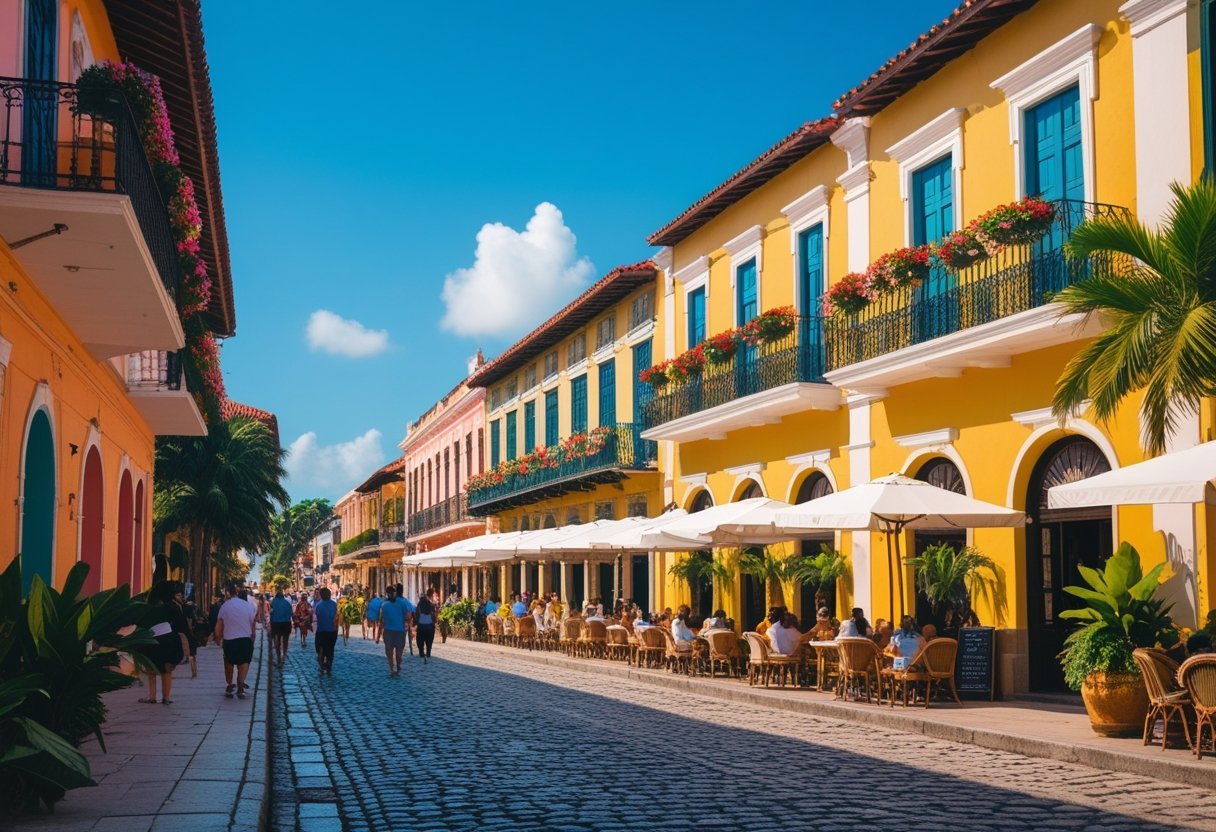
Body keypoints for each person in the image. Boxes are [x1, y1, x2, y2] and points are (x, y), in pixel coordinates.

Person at [136, 581, 191, 705]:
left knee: (152, 668)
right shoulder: (171, 607)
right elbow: (181, 625)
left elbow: (141, 624)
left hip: (152, 641)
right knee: (166, 670)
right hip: (168, 640)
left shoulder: (148, 608)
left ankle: (152, 696)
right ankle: (166, 697)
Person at [214, 581, 258, 699]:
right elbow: (252, 624)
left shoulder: (225, 605)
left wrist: (218, 638)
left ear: (229, 594)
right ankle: (240, 686)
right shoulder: (248, 606)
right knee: (244, 663)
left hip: (230, 639)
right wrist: (253, 636)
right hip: (245, 639)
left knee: (229, 662)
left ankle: (229, 684)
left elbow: (219, 624)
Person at [379, 585, 415, 677]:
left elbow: (407, 616)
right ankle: (392, 669)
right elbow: (382, 620)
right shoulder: (385, 605)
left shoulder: (400, 603)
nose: (391, 594)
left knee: (396, 653)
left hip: (398, 631)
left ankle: (397, 666)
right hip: (392, 631)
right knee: (390, 652)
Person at [313, 587, 339, 676]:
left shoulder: (318, 606)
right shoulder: (335, 605)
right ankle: (328, 666)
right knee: (330, 649)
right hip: (332, 631)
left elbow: (317, 616)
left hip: (321, 631)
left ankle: (321, 666)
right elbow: (336, 619)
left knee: (320, 648)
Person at [176, 585, 200, 679]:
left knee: (191, 652)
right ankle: (193, 671)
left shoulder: (186, 607)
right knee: (190, 651)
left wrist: (190, 630)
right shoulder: (180, 607)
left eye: (179, 595)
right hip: (182, 631)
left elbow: (190, 620)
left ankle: (194, 670)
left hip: (185, 631)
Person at [269, 588, 293, 665]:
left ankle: (278, 656)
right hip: (286, 622)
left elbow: (271, 612)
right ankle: (284, 654)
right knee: (285, 640)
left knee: (277, 640)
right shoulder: (287, 602)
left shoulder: (273, 602)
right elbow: (290, 613)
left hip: (276, 623)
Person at [415, 589, 438, 663]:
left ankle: (421, 653)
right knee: (429, 641)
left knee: (420, 640)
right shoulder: (431, 604)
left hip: (421, 625)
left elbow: (417, 614)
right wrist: (434, 621)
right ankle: (428, 653)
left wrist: (416, 622)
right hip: (429, 625)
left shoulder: (420, 603)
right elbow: (434, 616)